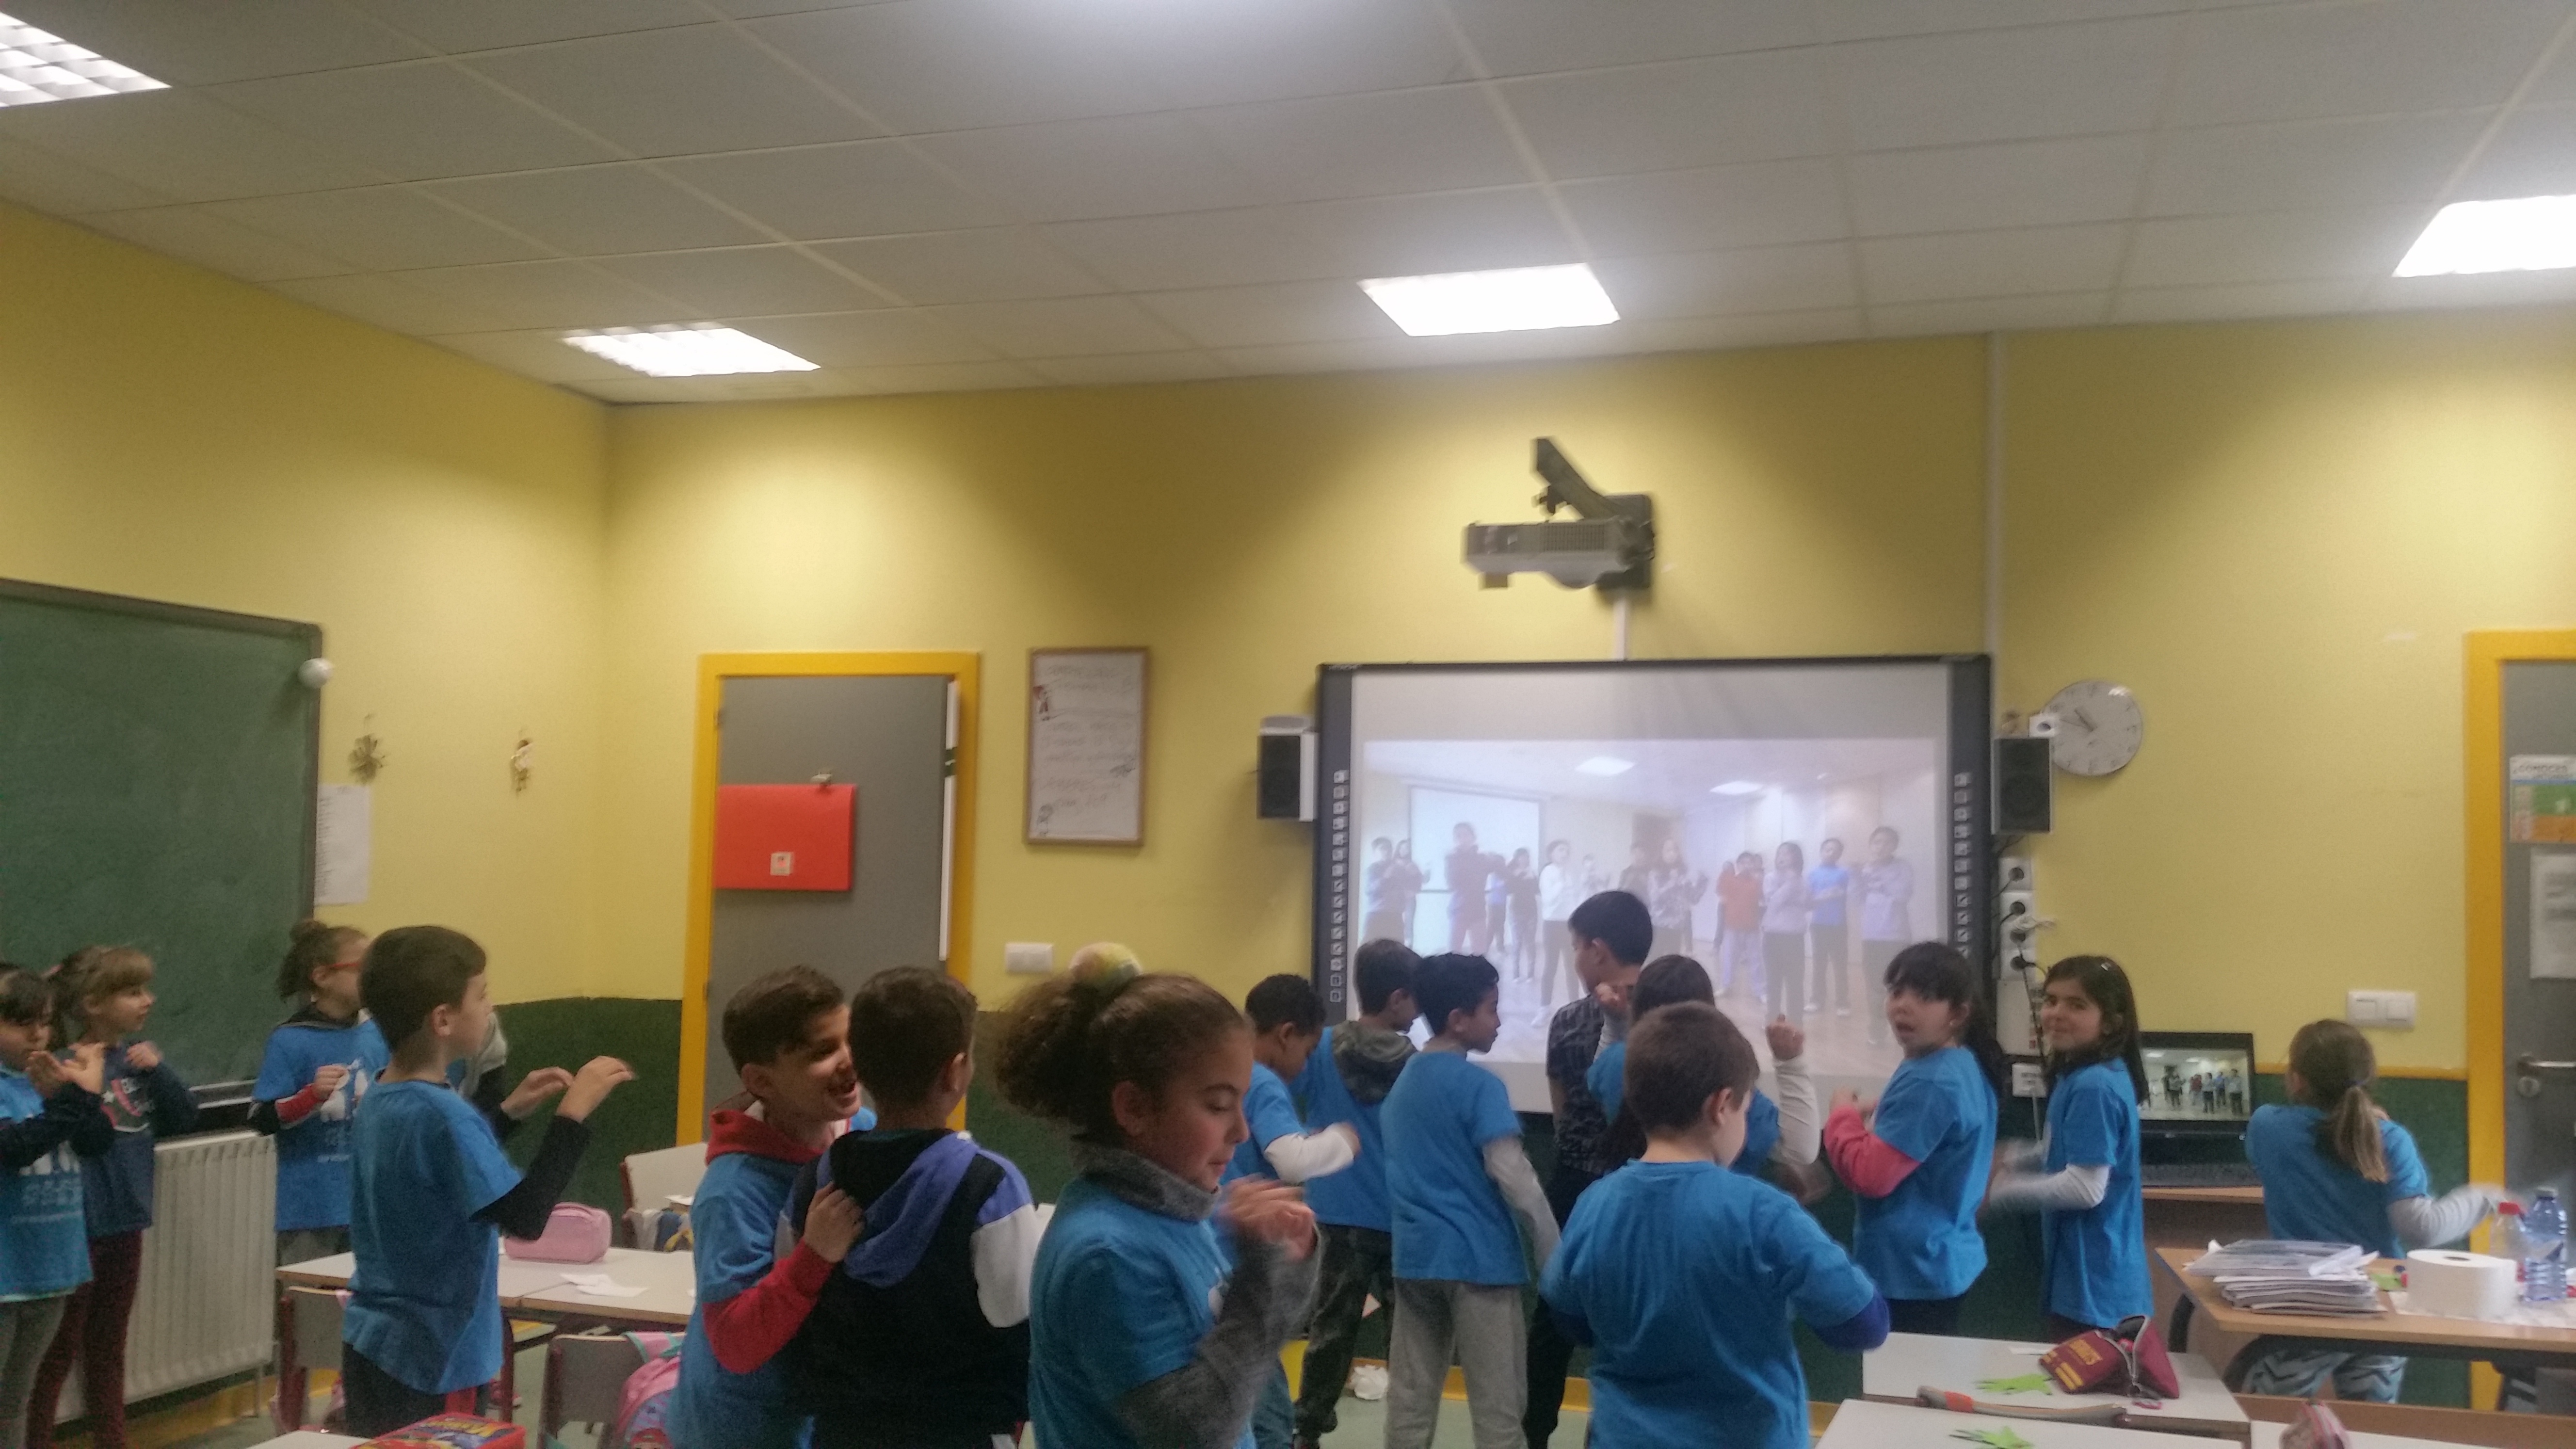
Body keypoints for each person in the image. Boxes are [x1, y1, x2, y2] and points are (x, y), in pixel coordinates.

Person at [1002, 952, 1317, 1449]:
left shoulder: (1177, 1209)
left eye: (1241, 1102)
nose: (1241, 1131)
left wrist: (1288, 1254)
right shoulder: (1107, 1255)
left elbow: (1257, 1340)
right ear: (1134, 1108)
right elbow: (1192, 1432)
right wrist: (1259, 1275)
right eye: (1218, 1105)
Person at [1539, 1002, 1887, 1449]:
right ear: (1722, 1106)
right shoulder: (1764, 1213)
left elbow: (1572, 1320)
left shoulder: (1595, 1205)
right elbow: (1863, 1324)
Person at [339, 927, 632, 1436]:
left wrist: (507, 1113)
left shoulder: (383, 1095)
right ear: (443, 1020)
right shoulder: (446, 1114)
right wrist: (573, 1115)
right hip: (435, 1355)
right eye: (482, 995)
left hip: (374, 1342)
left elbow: (441, 1171)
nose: (490, 1007)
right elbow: (524, 1217)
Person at [785, 967, 1042, 1449]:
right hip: (960, 1435)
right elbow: (1022, 1319)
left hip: (840, 1435)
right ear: (955, 1070)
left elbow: (792, 1300)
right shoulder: (991, 1185)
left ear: (858, 1065)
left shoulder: (814, 1181)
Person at [2240, 1021, 2503, 1403]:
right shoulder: (2391, 1140)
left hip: (2306, 1305)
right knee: (2371, 1418)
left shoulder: (2266, 1127)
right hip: (2378, 1301)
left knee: (2268, 1410)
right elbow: (2422, 1229)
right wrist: (2483, 1198)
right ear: (2366, 1079)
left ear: (2296, 1081)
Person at [672, 966, 870, 1449]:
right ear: (761, 1080)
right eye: (822, 1052)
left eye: (850, 1041)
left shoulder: (863, 1132)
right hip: (742, 1429)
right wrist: (814, 1256)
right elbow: (736, 1345)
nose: (848, 1061)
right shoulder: (733, 1191)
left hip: (822, 1410)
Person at [1382, 954, 1557, 1449]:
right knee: (1499, 1410)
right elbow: (1515, 1177)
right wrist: (1553, 1252)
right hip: (1480, 1263)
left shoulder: (1402, 1084)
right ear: (1459, 1020)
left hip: (1415, 1260)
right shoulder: (1481, 1086)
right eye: (1491, 1009)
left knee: (1410, 1401)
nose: (1498, 1021)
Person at [27, 949, 197, 1449]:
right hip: (75, 1228)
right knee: (57, 1352)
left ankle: (112, 1441)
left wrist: (160, 1071)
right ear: (93, 1004)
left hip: (126, 1223)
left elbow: (184, 1117)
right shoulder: (62, 1065)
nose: (148, 1000)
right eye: (132, 992)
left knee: (109, 1346)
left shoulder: (138, 1062)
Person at [1823, 943, 2005, 1336]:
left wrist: (1842, 1115)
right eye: (1896, 992)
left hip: (1912, 1271)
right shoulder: (1958, 1063)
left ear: (1958, 1014)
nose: (1902, 1006)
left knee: (1903, 1375)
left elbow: (1870, 1175)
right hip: (1936, 1261)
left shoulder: (1932, 1079)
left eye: (1924, 996)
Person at [1525, 891, 1649, 1448]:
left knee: (1552, 1320)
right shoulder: (1672, 1018)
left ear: (1597, 949)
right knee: (1633, 1320)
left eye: (1576, 947)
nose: (1576, 958)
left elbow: (1559, 1113)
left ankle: (1533, 1435)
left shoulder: (1571, 1020)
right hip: (1647, 1192)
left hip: (1575, 1187)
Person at [1288, 942, 1417, 1449]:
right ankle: (1407, 1434)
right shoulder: (1417, 1064)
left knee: (1330, 1330)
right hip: (1400, 1216)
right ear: (1398, 998)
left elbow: (1284, 1099)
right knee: (1408, 1338)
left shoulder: (1319, 1048)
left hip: (1335, 1213)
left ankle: (1307, 1430)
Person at [1984, 956, 2151, 1339]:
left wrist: (1998, 1192)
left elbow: (2086, 1188)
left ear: (2111, 1022)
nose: (2057, 1013)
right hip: (2087, 1280)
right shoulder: (2079, 1074)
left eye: (2077, 1005)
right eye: (2051, 1000)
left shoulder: (2095, 1085)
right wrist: (2011, 1156)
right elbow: (2058, 1147)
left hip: (2096, 1288)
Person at [1230, 976, 1360, 1449]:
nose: (1304, 1065)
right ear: (1286, 1034)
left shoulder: (1226, 1072)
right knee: (1263, 1404)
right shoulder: (1263, 1080)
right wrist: (1341, 1142)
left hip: (1215, 1247)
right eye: (1306, 1052)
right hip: (1241, 1256)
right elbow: (1291, 1159)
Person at [0, 968, 112, 1449]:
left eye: (44, 1022)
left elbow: (97, 1141)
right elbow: (15, 1148)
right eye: (20, 1022)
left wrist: (77, 1096)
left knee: (14, 1403)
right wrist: (68, 1102)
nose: (37, 1034)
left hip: (49, 1268)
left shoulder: (47, 1079)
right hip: (5, 1273)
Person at [1585, 957, 1818, 1182]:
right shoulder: (1721, 1075)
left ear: (1636, 1007)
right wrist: (1791, 1064)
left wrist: (1615, 1023)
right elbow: (1800, 1151)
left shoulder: (1617, 1061)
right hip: (1720, 1204)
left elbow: (1598, 1078)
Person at [251, 921, 389, 1266]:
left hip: (370, 1203)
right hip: (310, 1208)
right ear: (323, 977)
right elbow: (261, 1118)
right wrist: (309, 1097)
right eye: (362, 969)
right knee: (309, 1296)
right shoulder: (290, 1039)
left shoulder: (378, 1034)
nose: (373, 979)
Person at [1857, 828, 1913, 1047]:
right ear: (1871, 845)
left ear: (1895, 846)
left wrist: (1878, 877)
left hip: (1896, 935)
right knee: (1874, 986)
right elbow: (1857, 899)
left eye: (1887, 843)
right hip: (1871, 935)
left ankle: (1905, 1031)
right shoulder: (1865, 869)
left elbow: (1902, 895)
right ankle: (1877, 1031)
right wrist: (1858, 879)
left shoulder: (1902, 868)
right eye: (1877, 842)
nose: (1881, 847)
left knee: (1900, 985)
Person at [1760, 843, 1811, 1026]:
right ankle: (1772, 1019)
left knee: (1795, 982)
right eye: (1780, 853)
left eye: (1788, 853)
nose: (1783, 857)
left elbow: (1806, 904)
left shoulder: (1803, 880)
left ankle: (1796, 1021)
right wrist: (1791, 882)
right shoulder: (1770, 878)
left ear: (1797, 858)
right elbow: (1774, 902)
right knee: (1773, 981)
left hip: (1794, 937)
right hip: (1773, 936)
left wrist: (1794, 880)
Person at [1806, 838, 1852, 1018]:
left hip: (1838, 925)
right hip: (1819, 924)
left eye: (1835, 850)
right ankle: (1817, 1000)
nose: (1831, 853)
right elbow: (1808, 900)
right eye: (1828, 849)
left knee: (1840, 965)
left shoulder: (1844, 873)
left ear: (1840, 854)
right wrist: (1822, 897)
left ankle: (1842, 1002)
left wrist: (1838, 894)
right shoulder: (1812, 874)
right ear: (1822, 851)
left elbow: (1850, 894)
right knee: (1819, 965)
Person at [1645, 839, 1707, 963]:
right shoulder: (1655, 874)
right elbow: (1655, 898)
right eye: (1668, 850)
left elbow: (1693, 899)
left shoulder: (1683, 874)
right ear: (1662, 853)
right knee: (1655, 961)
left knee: (1672, 963)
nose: (1672, 854)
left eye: (1675, 850)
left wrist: (1702, 884)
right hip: (1659, 925)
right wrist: (1672, 882)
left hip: (1677, 926)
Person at [1537, 842, 1581, 1012]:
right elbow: (1548, 899)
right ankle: (1544, 1007)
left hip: (1569, 925)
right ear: (1552, 854)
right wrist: (1561, 883)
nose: (1565, 853)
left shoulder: (1569, 873)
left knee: (1572, 967)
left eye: (1567, 850)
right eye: (1561, 850)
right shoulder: (1548, 873)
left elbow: (1575, 898)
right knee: (1551, 966)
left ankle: (1575, 1005)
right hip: (1552, 924)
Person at [1717, 852, 1765, 1000]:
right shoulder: (1730, 880)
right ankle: (1726, 986)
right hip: (1732, 926)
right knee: (1729, 959)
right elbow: (1720, 892)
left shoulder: (1757, 883)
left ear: (1754, 865)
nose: (1746, 866)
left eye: (1750, 863)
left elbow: (1763, 901)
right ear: (1737, 865)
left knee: (1755, 960)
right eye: (1743, 863)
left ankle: (1760, 991)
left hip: (1751, 927)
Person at [1447, 824, 1498, 955]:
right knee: (1454, 952)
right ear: (1455, 840)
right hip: (1459, 909)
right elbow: (1452, 883)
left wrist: (1496, 859)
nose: (1463, 839)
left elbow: (1502, 870)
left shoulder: (1482, 859)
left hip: (1478, 909)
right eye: (1459, 836)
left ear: (1473, 838)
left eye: (1466, 835)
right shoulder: (1452, 859)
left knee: (1479, 953)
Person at [1504, 849, 1541, 984]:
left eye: (1527, 857)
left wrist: (1533, 878)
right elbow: (1509, 890)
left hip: (1531, 910)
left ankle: (1531, 974)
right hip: (1516, 911)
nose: (1524, 859)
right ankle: (1516, 974)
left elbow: (1538, 891)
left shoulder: (1532, 872)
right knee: (1517, 943)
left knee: (1530, 943)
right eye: (1522, 857)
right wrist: (1517, 877)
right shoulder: (1512, 873)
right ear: (1517, 859)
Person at [1363, 839, 1406, 946]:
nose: (1387, 852)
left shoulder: (1399, 869)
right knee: (1369, 948)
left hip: (1395, 915)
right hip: (1377, 914)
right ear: (1375, 852)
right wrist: (1386, 877)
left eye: (1389, 848)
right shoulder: (1372, 869)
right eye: (1383, 849)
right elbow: (1369, 890)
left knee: (1398, 949)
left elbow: (1405, 889)